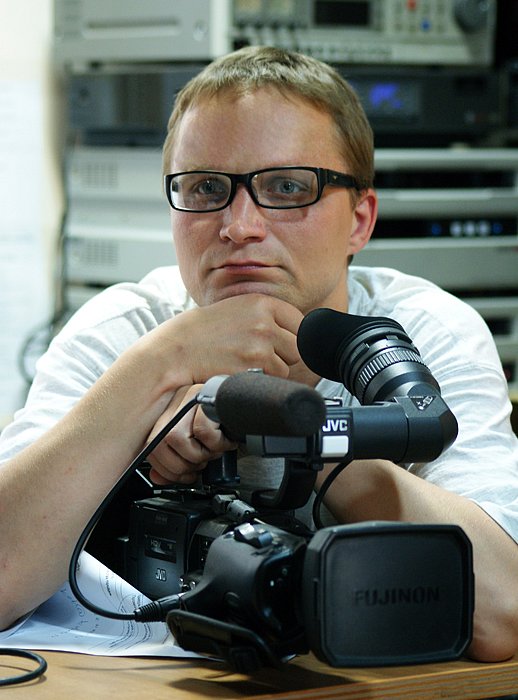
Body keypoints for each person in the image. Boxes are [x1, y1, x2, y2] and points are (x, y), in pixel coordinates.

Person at [0, 45, 517, 663]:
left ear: (359, 219)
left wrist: (298, 434)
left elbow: (502, 613)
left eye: (287, 187)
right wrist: (157, 370)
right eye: (206, 188)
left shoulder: (425, 333)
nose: (239, 225)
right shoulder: (129, 332)